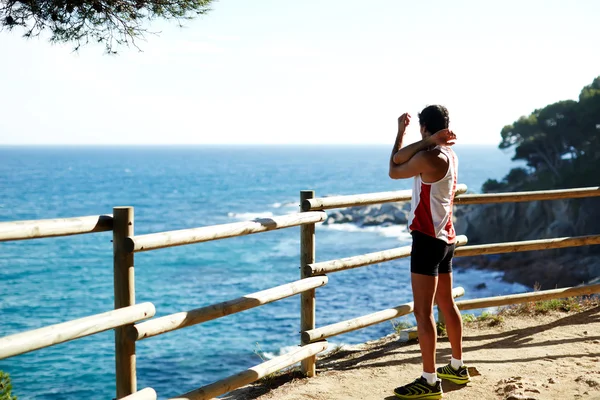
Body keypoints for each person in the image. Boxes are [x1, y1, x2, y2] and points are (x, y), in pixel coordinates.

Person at [388, 105, 470, 399]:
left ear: (424, 128)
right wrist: (430, 139)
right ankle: (458, 367)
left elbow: (394, 167)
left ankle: (430, 380)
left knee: (423, 313)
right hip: (446, 237)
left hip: (426, 239)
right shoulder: (450, 154)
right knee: (447, 303)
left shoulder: (428, 156)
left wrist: (401, 133)